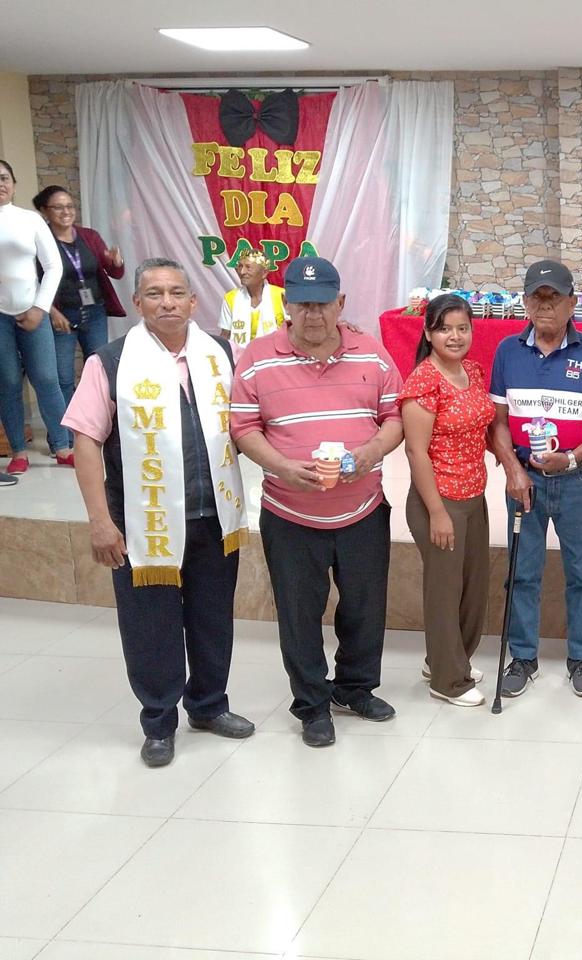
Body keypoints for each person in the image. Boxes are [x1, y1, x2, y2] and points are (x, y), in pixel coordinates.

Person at [62, 257, 253, 767]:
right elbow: (86, 442)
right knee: (151, 625)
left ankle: (209, 706)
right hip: (142, 522)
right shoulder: (111, 362)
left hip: (213, 515)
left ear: (193, 301)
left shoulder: (219, 354)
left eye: (176, 293)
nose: (167, 302)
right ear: (137, 303)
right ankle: (159, 721)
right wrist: (100, 521)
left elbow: (246, 425)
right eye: (154, 294)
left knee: (212, 618)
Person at [230, 256, 404, 747]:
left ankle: (354, 688)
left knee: (365, 608)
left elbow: (394, 417)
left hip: (362, 509)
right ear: (287, 304)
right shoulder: (257, 357)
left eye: (323, 304)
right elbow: (243, 427)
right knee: (299, 614)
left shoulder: (371, 353)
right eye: (303, 304)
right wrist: (283, 467)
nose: (313, 314)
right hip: (290, 512)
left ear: (340, 303)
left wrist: (370, 453)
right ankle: (311, 705)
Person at [489, 259, 582, 699]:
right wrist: (513, 468)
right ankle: (523, 658)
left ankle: (581, 659)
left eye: (554, 297)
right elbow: (497, 422)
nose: (545, 305)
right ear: (525, 302)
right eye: (537, 297)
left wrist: (570, 457)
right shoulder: (508, 351)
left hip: (577, 482)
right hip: (524, 483)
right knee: (522, 573)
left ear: (572, 303)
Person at [400, 293, 494, 708]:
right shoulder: (423, 381)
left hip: (474, 495)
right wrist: (437, 513)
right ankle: (448, 680)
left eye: (462, 328)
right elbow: (415, 452)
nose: (454, 337)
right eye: (444, 329)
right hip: (439, 501)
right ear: (428, 333)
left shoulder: (472, 370)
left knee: (472, 588)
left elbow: (483, 426)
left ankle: (448, 660)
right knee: (444, 592)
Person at [0, 159, 74, 473]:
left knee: (47, 379)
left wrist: (39, 308)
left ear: (14, 184)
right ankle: (18, 451)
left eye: (4, 178)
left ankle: (63, 446)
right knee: (7, 382)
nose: (0, 184)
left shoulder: (30, 220)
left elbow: (53, 266)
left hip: (34, 311)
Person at [32, 185, 126, 412]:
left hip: (95, 312)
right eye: (58, 207)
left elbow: (114, 272)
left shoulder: (89, 236)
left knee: (99, 370)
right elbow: (33, 281)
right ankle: (66, 428)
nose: (66, 212)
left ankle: (98, 420)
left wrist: (116, 262)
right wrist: (51, 311)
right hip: (62, 315)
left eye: (69, 206)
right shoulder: (39, 240)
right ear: (45, 211)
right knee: (63, 376)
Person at [218, 250, 287, 360]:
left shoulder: (281, 295)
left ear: (264, 273)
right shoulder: (231, 298)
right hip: (240, 361)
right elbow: (225, 335)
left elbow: (293, 332)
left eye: (248, 267)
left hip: (275, 361)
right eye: (240, 266)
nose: (242, 272)